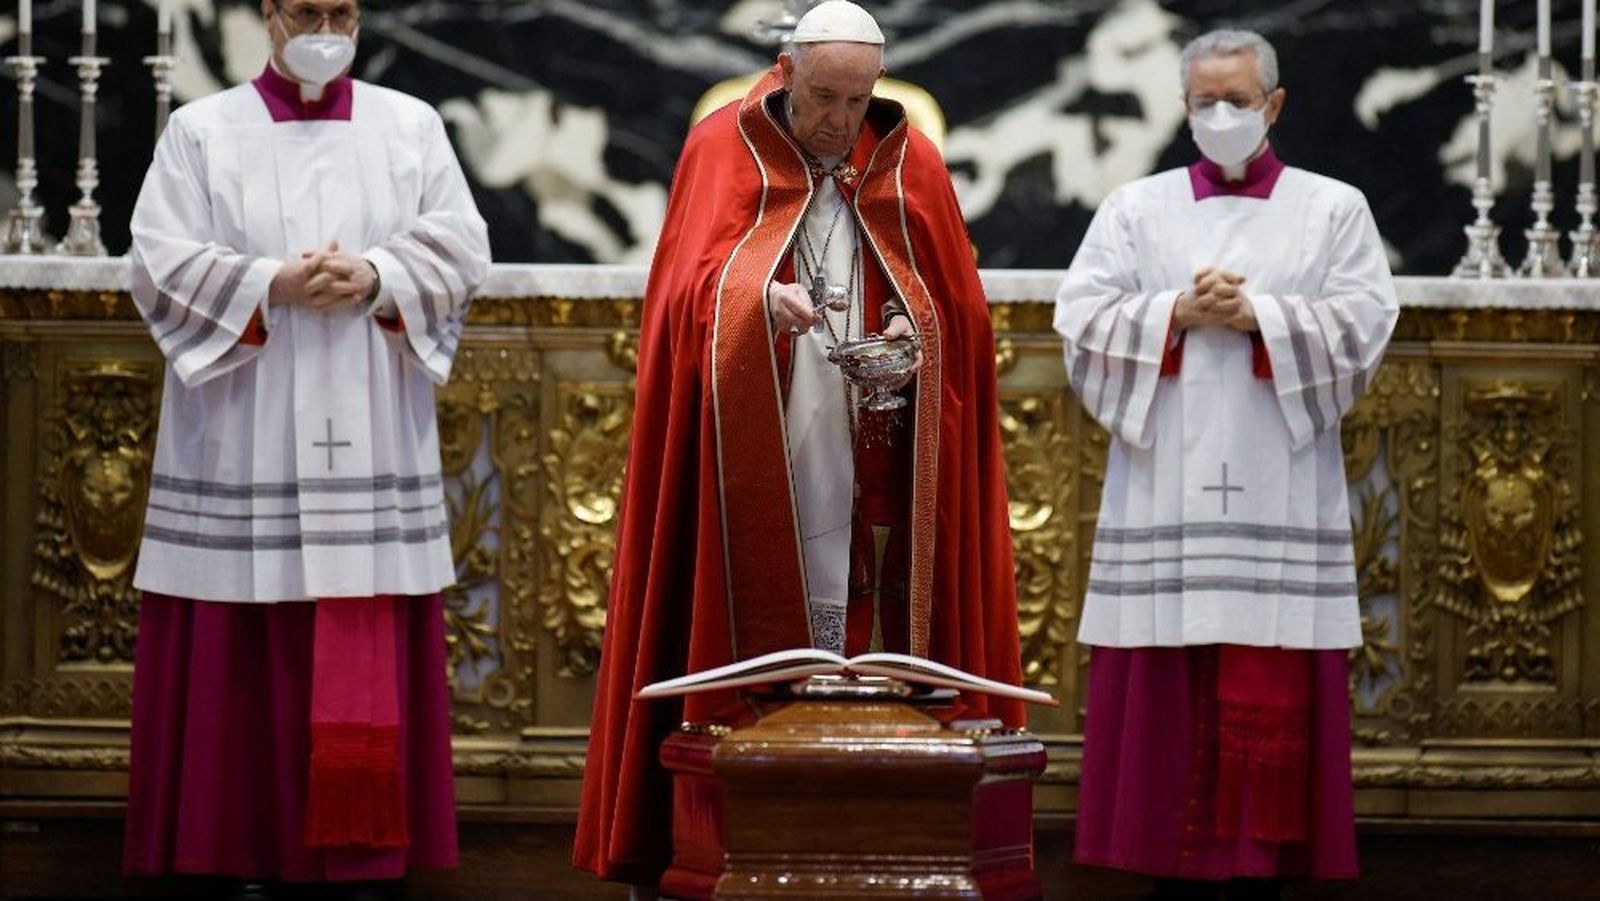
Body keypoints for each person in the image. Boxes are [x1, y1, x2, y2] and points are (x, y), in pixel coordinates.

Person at [574, 0, 1026, 887]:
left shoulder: (908, 158)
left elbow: (958, 311)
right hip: (767, 432)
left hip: (877, 442)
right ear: (783, 75)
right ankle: (719, 825)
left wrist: (909, 327)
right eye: (824, 98)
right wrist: (753, 305)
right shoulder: (720, 147)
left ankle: (885, 810)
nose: (839, 121)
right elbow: (681, 299)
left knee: (867, 578)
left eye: (858, 101)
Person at [121, 0, 490, 891]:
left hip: (370, 411)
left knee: (352, 612)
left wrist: (379, 274)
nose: (325, 25)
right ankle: (236, 847)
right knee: (243, 632)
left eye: (342, 10)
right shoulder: (201, 130)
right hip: (243, 426)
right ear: (269, 15)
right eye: (306, 10)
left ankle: (360, 855)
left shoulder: (412, 125)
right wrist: (268, 282)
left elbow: (464, 245)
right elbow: (154, 258)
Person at [1055, 29, 1397, 899]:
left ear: (1273, 105)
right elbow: (1083, 317)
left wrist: (1263, 320)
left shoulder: (1334, 207)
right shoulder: (1137, 208)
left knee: (1267, 648)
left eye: (1236, 102)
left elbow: (1364, 321)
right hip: (1166, 472)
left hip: (1276, 475)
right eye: (1203, 102)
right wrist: (1173, 310)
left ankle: (1263, 862)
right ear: (1183, 107)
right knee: (1167, 669)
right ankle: (1164, 858)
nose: (1219, 117)